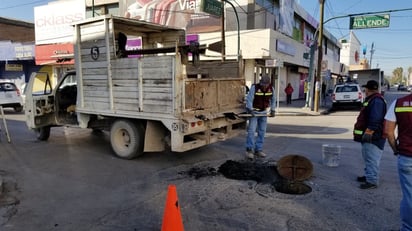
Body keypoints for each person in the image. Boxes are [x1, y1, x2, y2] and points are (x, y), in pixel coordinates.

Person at [384, 93, 412, 231]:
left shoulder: (399, 103)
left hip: (407, 157)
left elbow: (388, 132)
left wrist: (396, 150)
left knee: (409, 197)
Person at [353, 80, 387, 189]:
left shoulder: (376, 101)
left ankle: (372, 181)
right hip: (372, 136)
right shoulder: (374, 99)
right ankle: (369, 175)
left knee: (372, 158)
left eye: (365, 89)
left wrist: (369, 132)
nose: (365, 91)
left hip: (373, 137)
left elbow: (375, 119)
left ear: (368, 89)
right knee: (368, 157)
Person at [245, 74, 276, 159]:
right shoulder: (254, 88)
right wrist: (250, 109)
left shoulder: (271, 89)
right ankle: (249, 149)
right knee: (251, 131)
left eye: (266, 84)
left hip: (263, 113)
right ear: (260, 82)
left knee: (262, 131)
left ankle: (258, 150)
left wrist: (273, 110)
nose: (264, 86)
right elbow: (249, 99)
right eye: (263, 84)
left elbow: (273, 99)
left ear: (268, 83)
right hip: (254, 112)